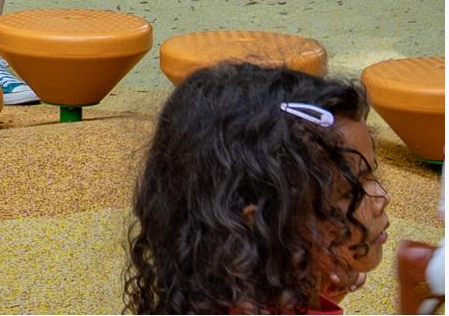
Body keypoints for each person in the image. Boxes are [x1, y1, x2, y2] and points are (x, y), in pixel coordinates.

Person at [125, 63, 391, 315]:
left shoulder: (235, 295)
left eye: (371, 174)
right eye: (349, 191)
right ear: (263, 225)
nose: (382, 196)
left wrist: (315, 286)